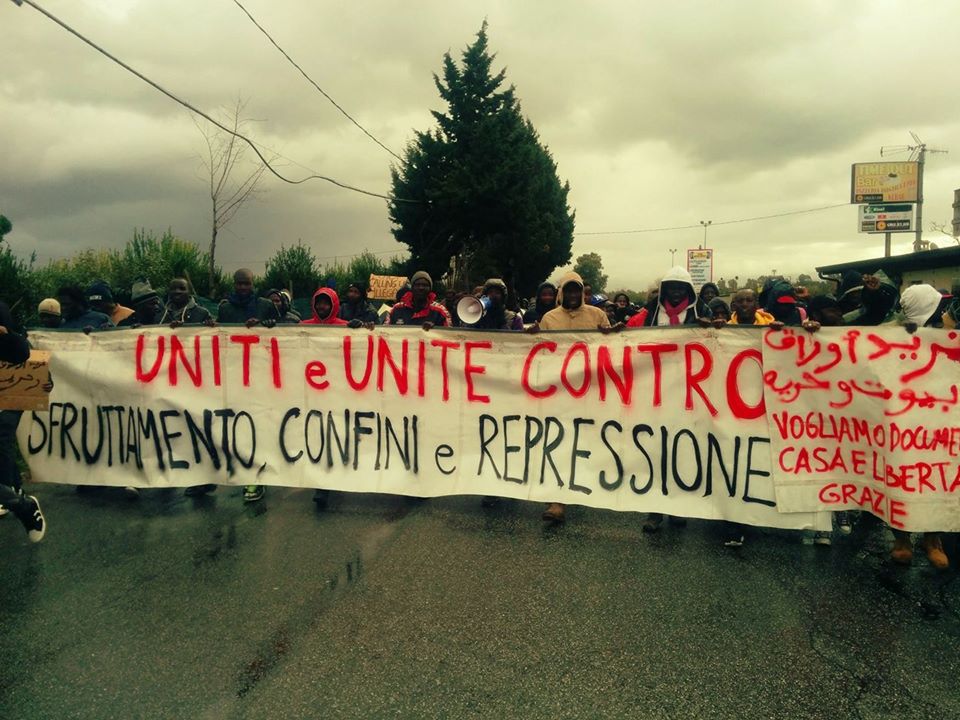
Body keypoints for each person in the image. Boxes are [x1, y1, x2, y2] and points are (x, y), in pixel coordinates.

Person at [534, 271, 614, 523]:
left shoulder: (597, 316)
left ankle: (581, 486)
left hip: (587, 391)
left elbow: (613, 349)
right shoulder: (549, 318)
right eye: (567, 290)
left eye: (575, 290)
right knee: (557, 441)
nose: (571, 295)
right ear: (561, 293)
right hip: (557, 391)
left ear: (581, 292)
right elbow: (540, 353)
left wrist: (610, 334)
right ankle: (556, 500)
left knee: (584, 441)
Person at [886, 284, 950, 569]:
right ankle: (902, 538)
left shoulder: (950, 335)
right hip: (901, 420)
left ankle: (932, 539)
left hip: (941, 421)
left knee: (938, 477)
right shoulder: (888, 335)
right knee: (900, 476)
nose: (945, 311)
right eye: (939, 307)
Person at [642, 267, 709, 532]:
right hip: (656, 392)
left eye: (681, 287)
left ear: (689, 290)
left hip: (688, 392)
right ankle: (656, 509)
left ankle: (678, 507)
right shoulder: (650, 315)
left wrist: (712, 329)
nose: (676, 291)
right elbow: (626, 337)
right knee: (657, 451)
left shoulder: (698, 314)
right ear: (665, 289)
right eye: (672, 286)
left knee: (682, 450)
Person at [0, 300, 45, 542]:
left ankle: (19, 502)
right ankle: (17, 497)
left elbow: (20, 353)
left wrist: (5, 336)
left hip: (7, 391)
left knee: (2, 438)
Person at [385, 272, 451, 329]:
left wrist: (436, 330)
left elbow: (449, 336)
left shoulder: (440, 311)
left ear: (430, 289)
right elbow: (384, 332)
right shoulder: (397, 309)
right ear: (412, 288)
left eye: (425, 285)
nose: (421, 288)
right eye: (417, 285)